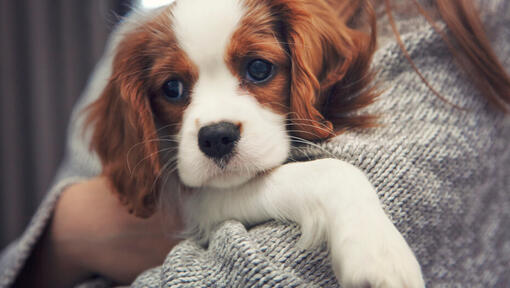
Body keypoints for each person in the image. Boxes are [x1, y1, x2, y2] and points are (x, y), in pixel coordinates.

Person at [1, 0, 509, 287]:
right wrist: (69, 227)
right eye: (174, 90)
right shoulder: (139, 36)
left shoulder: (433, 26)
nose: (216, 123)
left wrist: (338, 192)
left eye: (259, 69)